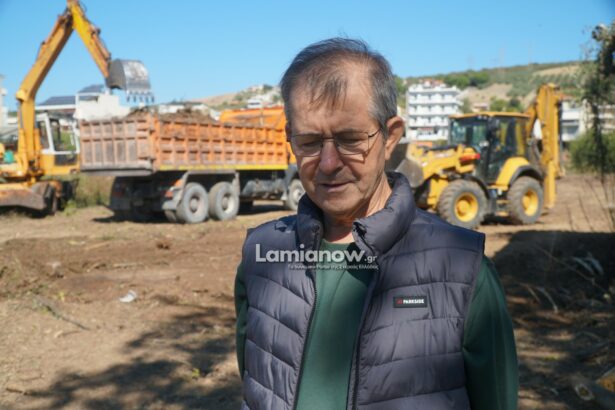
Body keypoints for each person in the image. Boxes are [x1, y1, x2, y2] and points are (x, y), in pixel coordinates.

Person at [234, 38, 518, 410]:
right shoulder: (261, 255)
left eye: (350, 139)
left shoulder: (463, 270)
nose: (328, 163)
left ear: (390, 137)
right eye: (309, 142)